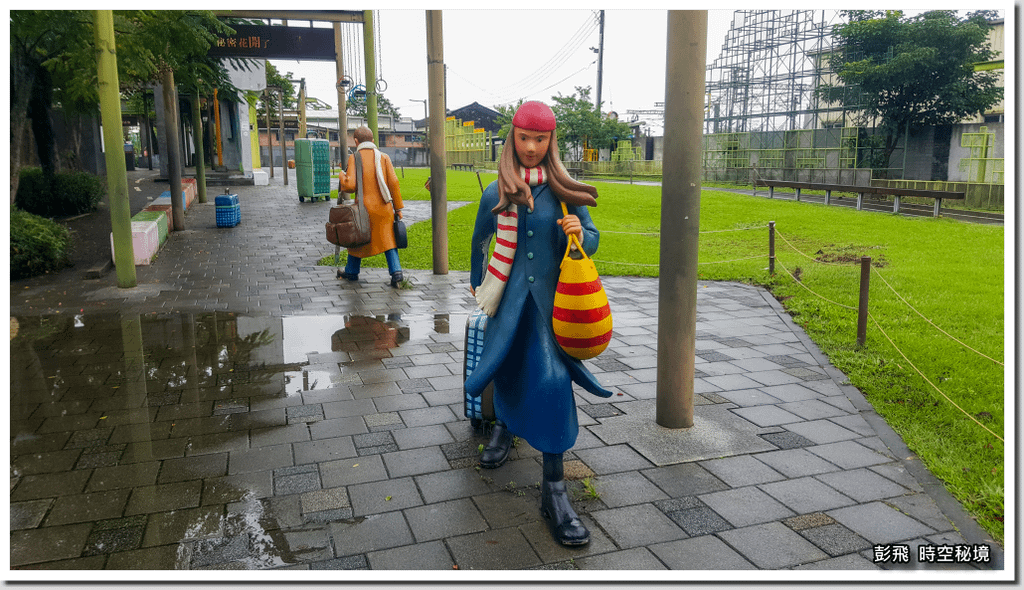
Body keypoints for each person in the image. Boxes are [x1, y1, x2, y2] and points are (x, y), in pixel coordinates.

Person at [464, 101, 612, 546]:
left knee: (550, 382)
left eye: (540, 139)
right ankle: (506, 429)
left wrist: (579, 233)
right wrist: (479, 287)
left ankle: (554, 487)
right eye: (524, 138)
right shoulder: (496, 193)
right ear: (513, 138)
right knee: (507, 370)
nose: (531, 148)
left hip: (550, 309)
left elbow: (593, 236)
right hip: (510, 307)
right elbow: (478, 241)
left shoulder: (563, 190)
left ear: (551, 142)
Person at [338, 126, 405, 287]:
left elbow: (350, 185)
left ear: (356, 141)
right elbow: (394, 183)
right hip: (385, 207)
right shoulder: (383, 157)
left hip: (364, 209)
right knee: (389, 241)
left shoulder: (355, 157)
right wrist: (398, 208)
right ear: (373, 140)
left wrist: (342, 175)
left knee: (357, 241)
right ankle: (396, 273)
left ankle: (351, 271)